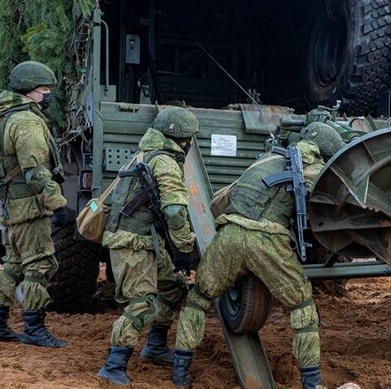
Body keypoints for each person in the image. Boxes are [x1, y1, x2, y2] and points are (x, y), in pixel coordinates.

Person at [170, 122, 345, 389]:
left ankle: (180, 372)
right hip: (268, 241)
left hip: (230, 233)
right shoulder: (317, 173)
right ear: (325, 152)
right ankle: (311, 383)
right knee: (303, 309)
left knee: (197, 299)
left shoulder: (264, 160)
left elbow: (220, 200)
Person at [97, 107, 200, 385]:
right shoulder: (165, 161)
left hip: (145, 241)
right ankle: (114, 365)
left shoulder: (146, 153)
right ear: (181, 137)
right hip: (133, 243)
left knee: (174, 287)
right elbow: (176, 211)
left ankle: (154, 346)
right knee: (141, 303)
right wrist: (185, 248)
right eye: (190, 137)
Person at [0, 61, 68, 348]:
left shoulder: (2, 118)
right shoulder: (27, 121)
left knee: (13, 266)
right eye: (45, 89)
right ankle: (34, 329)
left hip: (10, 207)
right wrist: (57, 203)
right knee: (39, 266)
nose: (48, 94)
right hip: (29, 207)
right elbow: (34, 171)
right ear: (30, 91)